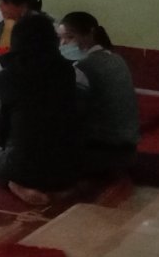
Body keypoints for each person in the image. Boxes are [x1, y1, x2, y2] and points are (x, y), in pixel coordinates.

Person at [0, 15, 84, 205]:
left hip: (23, 167)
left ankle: (17, 185)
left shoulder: (4, 77)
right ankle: (60, 189)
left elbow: (1, 130)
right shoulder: (66, 71)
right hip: (67, 167)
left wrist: (1, 147)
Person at [59, 12, 140, 174]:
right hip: (129, 150)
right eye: (60, 38)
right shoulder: (117, 59)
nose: (63, 44)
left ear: (90, 34)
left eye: (69, 37)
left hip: (102, 154)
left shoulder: (83, 68)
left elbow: (71, 115)